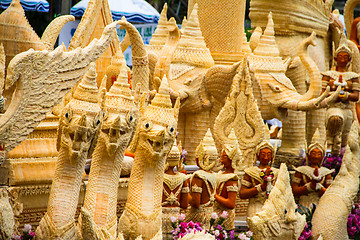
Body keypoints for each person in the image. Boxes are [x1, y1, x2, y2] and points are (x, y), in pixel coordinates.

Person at [322, 33, 359, 155]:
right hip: (333, 107)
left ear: (349, 59)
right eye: (340, 56)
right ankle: (328, 154)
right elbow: (322, 94)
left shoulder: (353, 77)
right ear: (335, 58)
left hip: (347, 109)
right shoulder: (328, 75)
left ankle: (339, 160)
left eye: (345, 57)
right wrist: (334, 94)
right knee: (335, 120)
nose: (342, 59)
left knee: (344, 138)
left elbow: (356, 96)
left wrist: (347, 96)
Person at [239, 126, 279, 218]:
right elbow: (242, 194)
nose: (265, 157)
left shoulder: (277, 172)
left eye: (268, 154)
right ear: (257, 155)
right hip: (255, 206)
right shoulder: (251, 172)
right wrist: (260, 188)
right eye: (263, 154)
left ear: (272, 156)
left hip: (271, 207)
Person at [292, 129, 334, 208]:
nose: (315, 156)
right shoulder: (301, 170)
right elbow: (294, 190)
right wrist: (309, 187)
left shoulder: (326, 172)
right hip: (304, 203)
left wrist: (319, 187)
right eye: (313, 153)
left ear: (322, 157)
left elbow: (330, 193)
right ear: (308, 155)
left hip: (320, 204)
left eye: (318, 154)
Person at [187, 129, 217, 230]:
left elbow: (196, 203)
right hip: (210, 214)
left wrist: (185, 192)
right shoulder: (214, 175)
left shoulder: (198, 176)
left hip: (198, 216)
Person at [162, 141, 190, 239]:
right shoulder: (183, 178)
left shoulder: (159, 178)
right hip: (176, 219)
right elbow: (185, 205)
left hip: (160, 218)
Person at [214, 129, 241, 230]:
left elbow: (231, 203)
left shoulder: (232, 178)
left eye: (224, 157)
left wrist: (214, 195)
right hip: (215, 213)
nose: (221, 160)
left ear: (231, 158)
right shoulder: (220, 174)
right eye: (221, 156)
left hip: (226, 215)